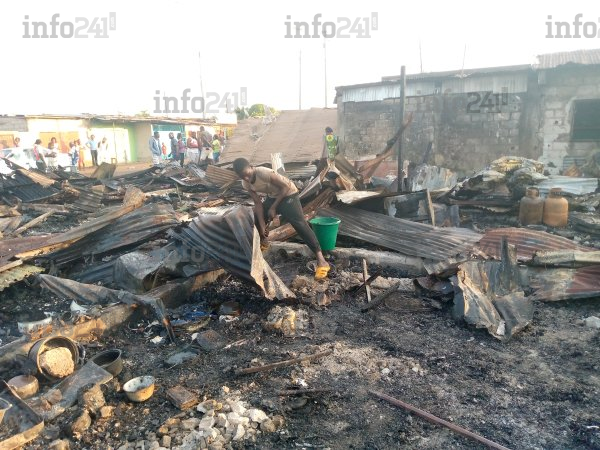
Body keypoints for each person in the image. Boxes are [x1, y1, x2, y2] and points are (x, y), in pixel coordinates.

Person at [232, 157, 331, 280]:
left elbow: (285, 187)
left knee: (299, 224)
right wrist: (262, 227)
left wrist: (273, 208)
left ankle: (322, 261)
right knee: (256, 220)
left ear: (251, 167)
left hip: (289, 194)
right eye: (242, 176)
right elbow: (258, 204)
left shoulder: (263, 172)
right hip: (273, 196)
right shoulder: (245, 184)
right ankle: (264, 243)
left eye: (247, 174)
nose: (246, 178)